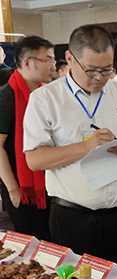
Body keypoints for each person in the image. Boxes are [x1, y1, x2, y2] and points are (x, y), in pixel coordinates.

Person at [23, 24, 117, 268]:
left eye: (106, 70)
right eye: (92, 70)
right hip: (75, 219)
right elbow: (35, 160)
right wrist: (86, 146)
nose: (99, 78)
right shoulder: (45, 99)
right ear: (70, 59)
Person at [0, 36, 55, 240]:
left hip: (49, 180)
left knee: (52, 238)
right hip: (23, 186)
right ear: (28, 62)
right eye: (47, 59)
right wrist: (13, 188)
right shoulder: (6, 96)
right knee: (31, 240)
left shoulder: (46, 94)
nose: (52, 64)